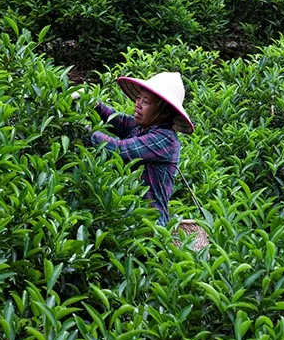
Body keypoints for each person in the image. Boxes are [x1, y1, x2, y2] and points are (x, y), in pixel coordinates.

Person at [73, 72, 194, 226]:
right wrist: (90, 100)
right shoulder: (143, 127)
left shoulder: (165, 139)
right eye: (139, 98)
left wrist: (79, 128)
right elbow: (117, 119)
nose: (138, 104)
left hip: (150, 225)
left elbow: (118, 149)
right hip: (129, 217)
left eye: (146, 101)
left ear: (163, 112)